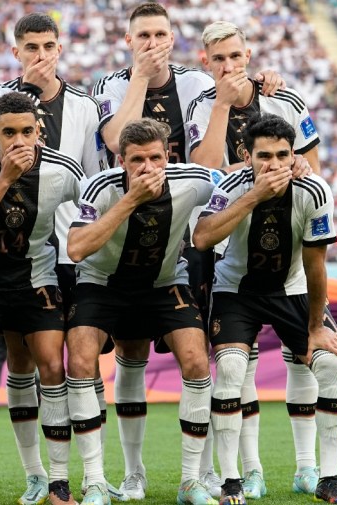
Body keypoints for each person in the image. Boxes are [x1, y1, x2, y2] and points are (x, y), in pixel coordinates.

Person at [92, 5, 282, 496]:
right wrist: (140, 77)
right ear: (128, 40)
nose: (152, 42)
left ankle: (226, 467)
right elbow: (115, 141)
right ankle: (134, 472)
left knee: (216, 355)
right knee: (130, 351)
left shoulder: (198, 83)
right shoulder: (110, 86)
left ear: (174, 38)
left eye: (160, 34)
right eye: (143, 35)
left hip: (197, 232)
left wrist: (260, 84)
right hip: (133, 234)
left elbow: (217, 149)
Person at [0, 14, 113, 503]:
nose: (40, 54)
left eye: (48, 45)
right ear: (16, 52)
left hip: (70, 252)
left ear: (61, 49)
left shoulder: (84, 106)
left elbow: (95, 181)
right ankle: (39, 474)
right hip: (19, 251)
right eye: (30, 46)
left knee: (82, 361)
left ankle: (93, 475)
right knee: (20, 360)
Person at [185, 21, 322, 498]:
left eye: (235, 57)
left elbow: (313, 171)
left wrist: (296, 166)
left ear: (248, 54)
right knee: (233, 365)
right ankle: (248, 468)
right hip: (224, 247)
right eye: (218, 59)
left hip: (283, 244)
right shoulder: (201, 106)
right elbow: (202, 174)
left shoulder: (287, 98)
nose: (229, 67)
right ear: (206, 62)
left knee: (302, 359)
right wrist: (223, 103)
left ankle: (307, 468)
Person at [193, 114, 337, 505]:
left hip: (294, 289)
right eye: (264, 155)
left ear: (293, 154)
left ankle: (327, 478)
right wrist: (255, 196)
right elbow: (202, 237)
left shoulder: (313, 191)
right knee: (231, 369)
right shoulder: (231, 186)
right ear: (245, 155)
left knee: (331, 365)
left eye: (283, 155)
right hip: (237, 291)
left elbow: (316, 265)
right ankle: (232, 480)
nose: (274, 164)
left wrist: (316, 328)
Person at [66, 118, 219, 505]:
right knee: (81, 361)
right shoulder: (99, 187)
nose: (148, 168)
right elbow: (77, 249)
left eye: (155, 158)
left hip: (164, 282)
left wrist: (297, 166)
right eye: (137, 160)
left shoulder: (193, 180)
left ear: (167, 155)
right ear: (121, 160)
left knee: (197, 362)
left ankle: (191, 482)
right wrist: (130, 200)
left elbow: (235, 181)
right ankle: (100, 480)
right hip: (103, 283)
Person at [0, 92, 82, 505]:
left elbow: (99, 200)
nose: (18, 140)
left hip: (36, 278)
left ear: (39, 132)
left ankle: (57, 483)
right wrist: (5, 178)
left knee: (50, 367)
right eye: (9, 132)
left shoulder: (62, 170)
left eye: (27, 131)